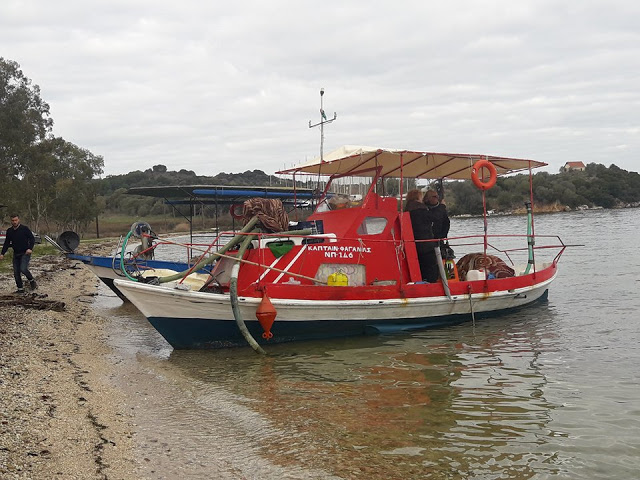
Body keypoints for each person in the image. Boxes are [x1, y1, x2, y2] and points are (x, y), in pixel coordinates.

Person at [404, 190, 439, 282]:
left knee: (421, 266)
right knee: (431, 267)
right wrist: (442, 206)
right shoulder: (420, 209)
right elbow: (435, 217)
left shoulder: (408, 209)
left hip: (414, 243)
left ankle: (422, 281)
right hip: (425, 243)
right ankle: (431, 284)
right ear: (418, 197)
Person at [0, 214, 37, 294]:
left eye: (16, 220)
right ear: (11, 221)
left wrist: (30, 248)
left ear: (18, 220)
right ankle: (20, 289)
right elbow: (6, 243)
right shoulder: (9, 231)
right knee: (16, 272)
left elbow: (32, 239)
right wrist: (2, 253)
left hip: (25, 252)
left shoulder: (24, 229)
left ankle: (32, 281)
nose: (14, 222)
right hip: (16, 253)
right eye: (13, 220)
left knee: (23, 268)